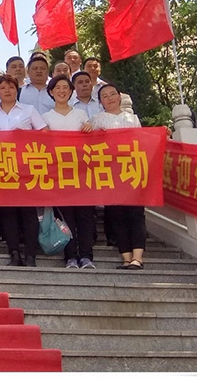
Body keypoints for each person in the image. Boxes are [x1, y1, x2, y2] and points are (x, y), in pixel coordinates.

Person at [0, 74, 48, 267]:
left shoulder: (29, 110)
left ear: (17, 90)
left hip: (26, 168)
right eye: (3, 88)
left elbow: (45, 134)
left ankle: (30, 254)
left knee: (29, 212)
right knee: (8, 213)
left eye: (11, 87)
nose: (7, 91)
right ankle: (14, 252)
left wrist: (26, 137)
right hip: (3, 168)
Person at [41, 75, 95, 269]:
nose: (62, 91)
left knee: (85, 216)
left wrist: (90, 127)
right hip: (59, 174)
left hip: (82, 172)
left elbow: (93, 139)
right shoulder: (46, 117)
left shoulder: (80, 114)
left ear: (71, 92)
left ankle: (87, 256)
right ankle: (70, 256)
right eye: (58, 88)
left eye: (66, 87)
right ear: (51, 92)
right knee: (66, 217)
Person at [91, 84, 145, 270]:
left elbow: (144, 142)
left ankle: (138, 257)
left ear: (119, 97)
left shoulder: (133, 119)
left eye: (113, 94)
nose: (110, 98)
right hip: (110, 174)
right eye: (105, 96)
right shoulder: (97, 120)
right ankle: (126, 257)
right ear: (100, 102)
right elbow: (89, 144)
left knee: (136, 215)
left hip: (132, 171)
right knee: (117, 216)